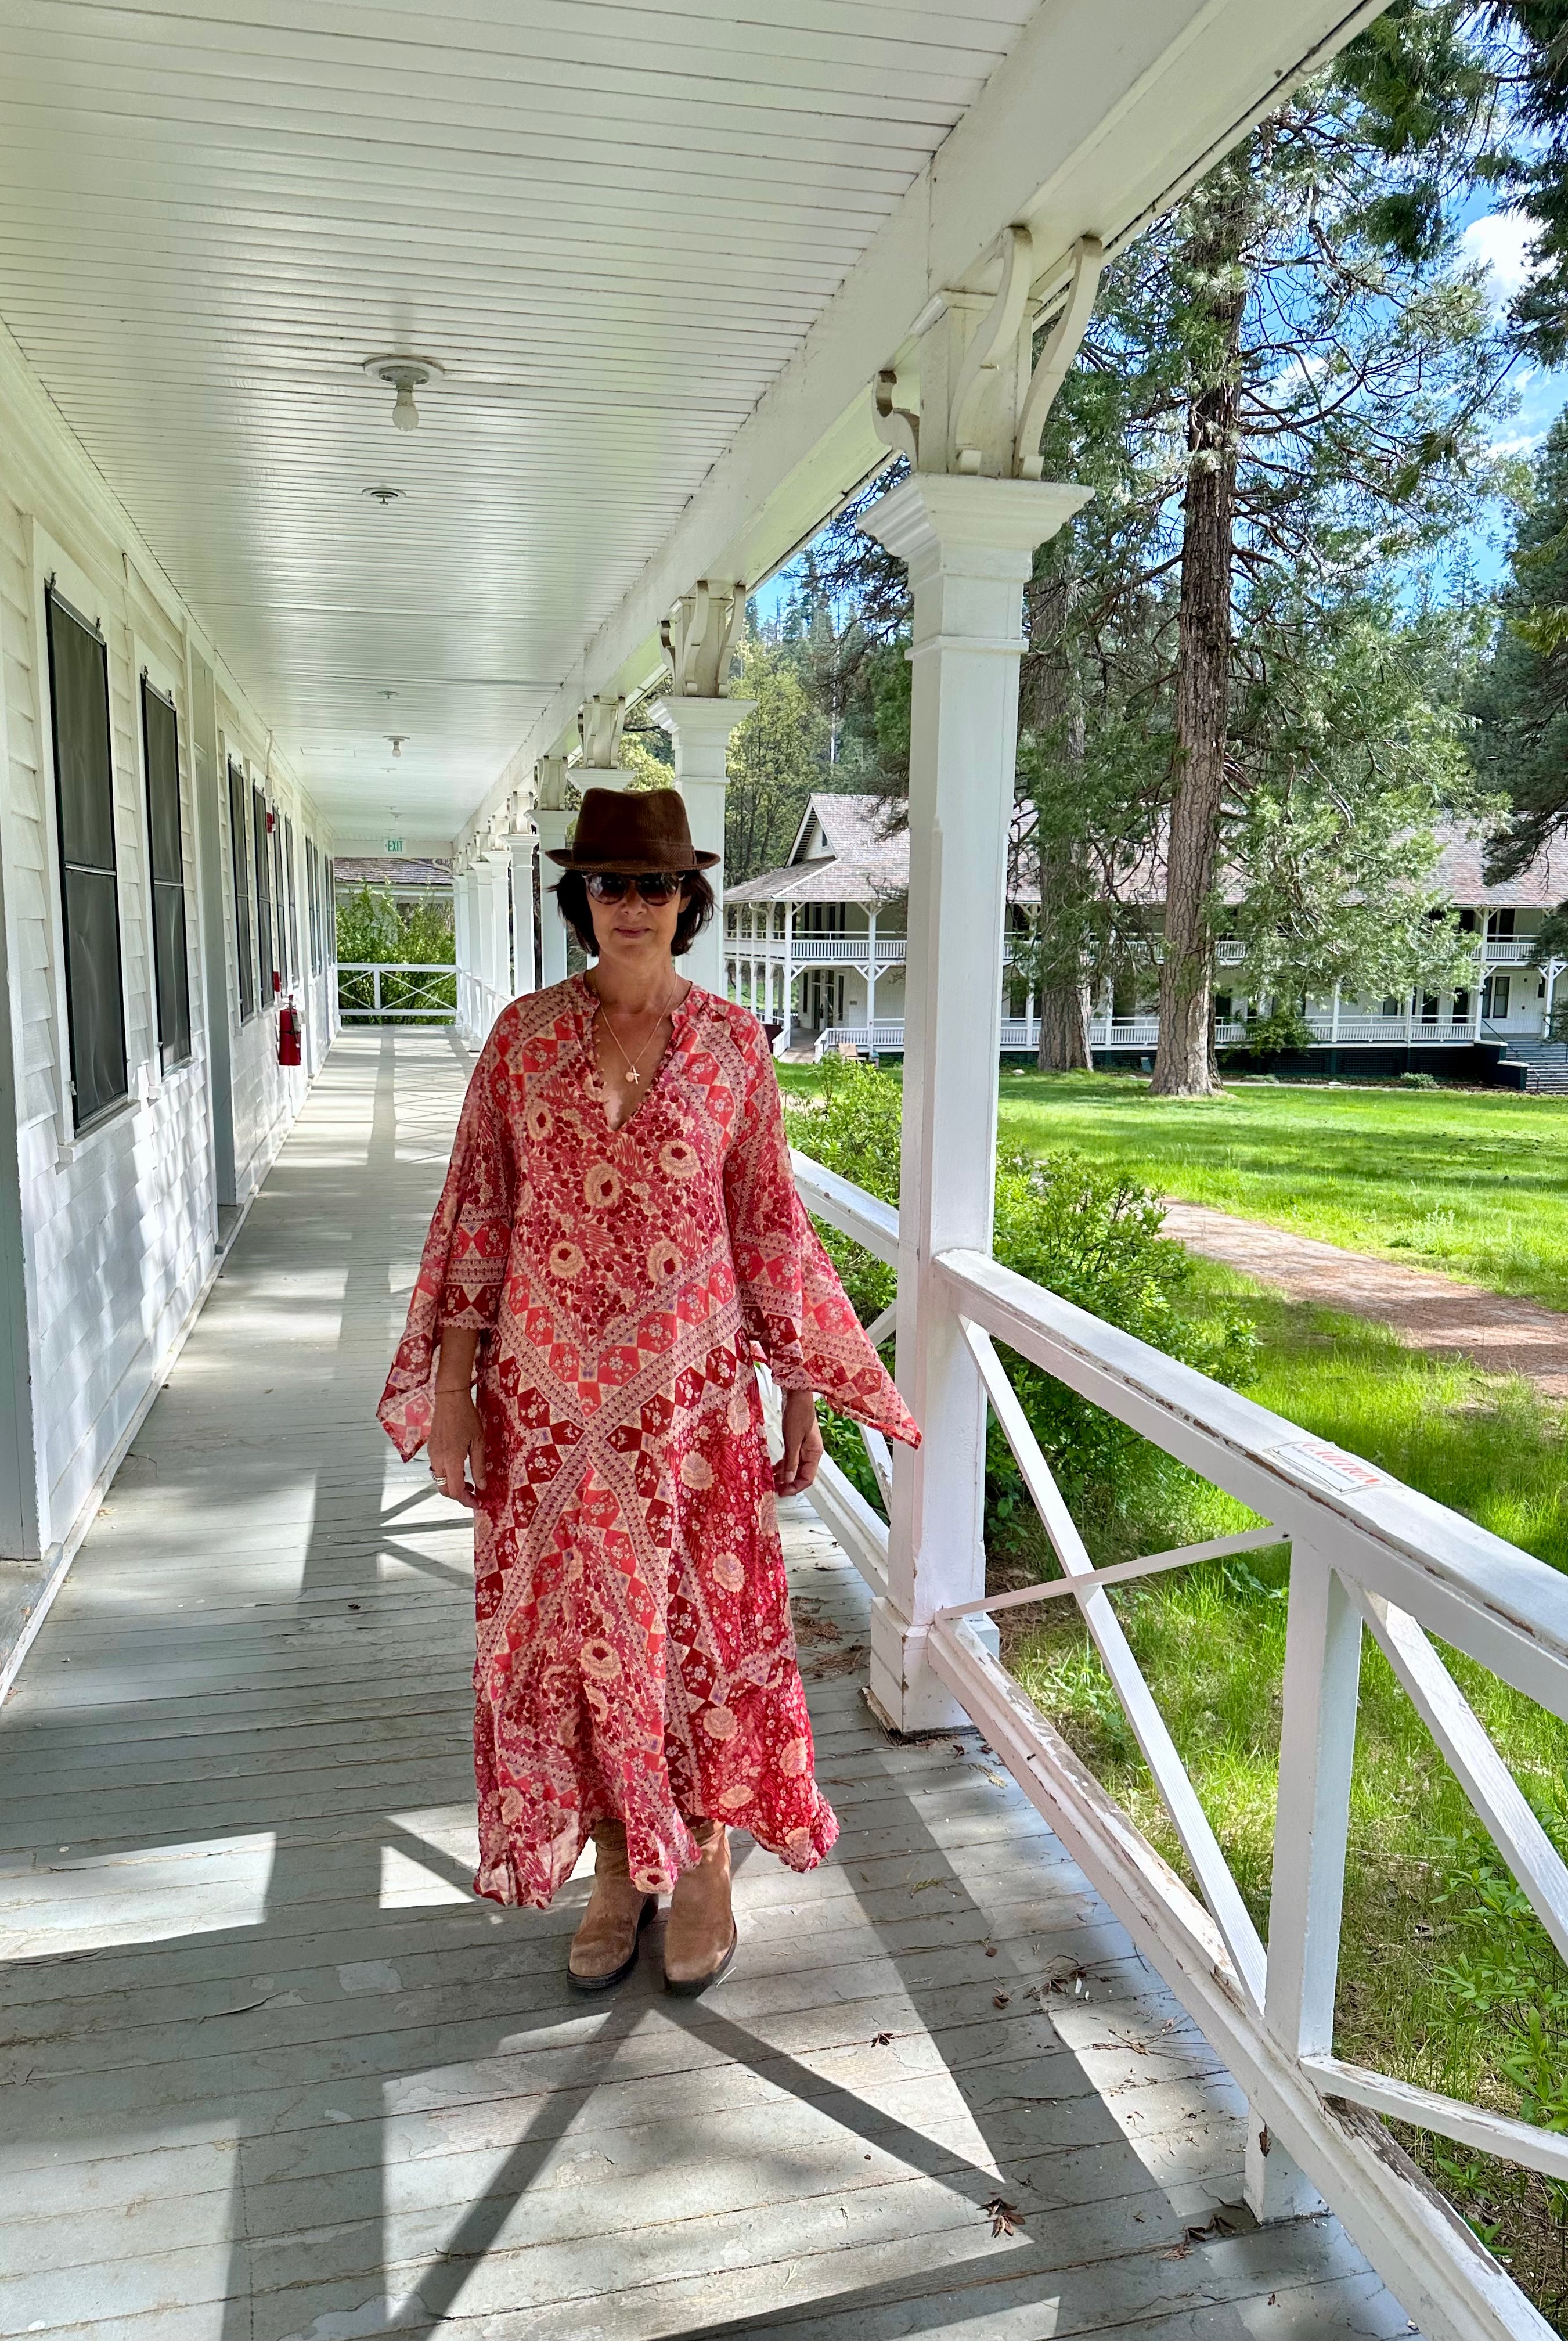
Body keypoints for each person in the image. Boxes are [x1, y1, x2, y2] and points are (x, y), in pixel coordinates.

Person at [379, 787, 918, 1997]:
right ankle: (621, 1861)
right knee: (572, 1645)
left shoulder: (734, 1046)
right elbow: (478, 1219)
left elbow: (769, 1229)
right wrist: (455, 1391)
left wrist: (801, 1391)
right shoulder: (520, 1039)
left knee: (702, 1634)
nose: (633, 906)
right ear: (580, 901)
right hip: (548, 1406)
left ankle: (710, 1853)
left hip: (693, 1410)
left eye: (657, 886)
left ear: (689, 902)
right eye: (610, 886)